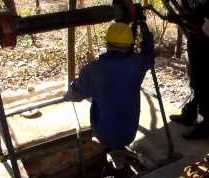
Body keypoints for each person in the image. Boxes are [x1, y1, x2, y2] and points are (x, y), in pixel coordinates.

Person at [64, 22, 154, 154]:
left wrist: (66, 96)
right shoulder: (138, 64)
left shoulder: (93, 70)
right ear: (130, 44)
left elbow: (75, 94)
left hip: (103, 134)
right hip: (129, 133)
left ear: (107, 44)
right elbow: (149, 55)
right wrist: (146, 33)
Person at [169, 0, 209, 139]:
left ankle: (204, 126)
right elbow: (191, 15)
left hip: (205, 47)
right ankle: (190, 115)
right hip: (195, 43)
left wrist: (180, 21)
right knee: (197, 82)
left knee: (205, 85)